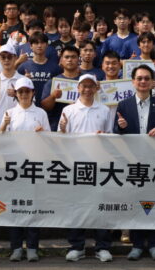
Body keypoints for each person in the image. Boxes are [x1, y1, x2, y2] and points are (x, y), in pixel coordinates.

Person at [114, 65, 155, 262]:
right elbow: (116, 133)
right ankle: (137, 245)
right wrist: (121, 127)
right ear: (133, 82)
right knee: (135, 202)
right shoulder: (123, 105)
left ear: (153, 82)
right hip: (132, 162)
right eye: (139, 78)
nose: (143, 82)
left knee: (154, 201)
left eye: (147, 78)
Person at [59, 74, 115, 262]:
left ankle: (102, 247)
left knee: (101, 206)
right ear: (78, 88)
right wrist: (63, 129)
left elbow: (110, 137)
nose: (87, 89)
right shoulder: (68, 110)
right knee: (76, 207)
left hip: (99, 165)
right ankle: (77, 246)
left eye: (91, 86)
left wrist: (103, 136)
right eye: (84, 86)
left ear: (96, 88)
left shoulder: (105, 110)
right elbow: (61, 140)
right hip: (76, 166)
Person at [0, 76, 50, 262]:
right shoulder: (9, 112)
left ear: (33, 93)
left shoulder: (41, 113)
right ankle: (16, 247)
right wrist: (4, 124)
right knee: (15, 207)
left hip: (34, 165)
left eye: (27, 91)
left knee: (32, 207)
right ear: (16, 94)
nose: (24, 94)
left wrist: (43, 133)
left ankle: (32, 247)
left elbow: (49, 139)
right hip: (14, 167)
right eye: (20, 92)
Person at [38, 45, 82, 130]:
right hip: (56, 127)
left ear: (79, 60)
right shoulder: (53, 82)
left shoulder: (85, 82)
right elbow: (45, 107)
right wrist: (53, 96)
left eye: (73, 57)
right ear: (61, 60)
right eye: (66, 57)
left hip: (80, 126)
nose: (70, 60)